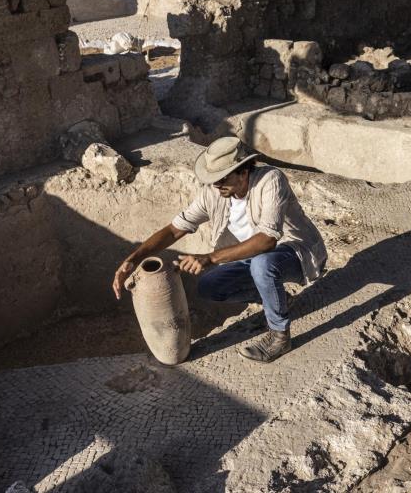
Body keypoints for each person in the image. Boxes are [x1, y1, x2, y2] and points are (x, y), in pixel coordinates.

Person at [112, 136, 327, 362]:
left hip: (297, 252)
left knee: (262, 264)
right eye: (213, 179)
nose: (217, 185)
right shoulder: (213, 193)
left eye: (222, 178)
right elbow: (174, 230)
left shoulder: (271, 181)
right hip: (254, 259)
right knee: (210, 286)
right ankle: (279, 299)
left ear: (243, 172)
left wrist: (210, 258)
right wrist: (134, 259)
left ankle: (280, 336)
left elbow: (267, 241)